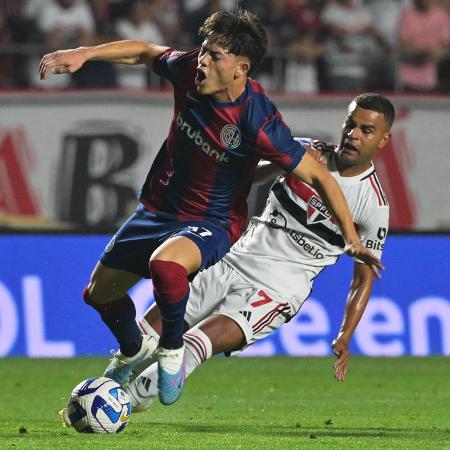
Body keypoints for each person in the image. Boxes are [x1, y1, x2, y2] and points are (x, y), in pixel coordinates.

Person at [39, 9, 381, 406]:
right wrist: (86, 53)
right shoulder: (188, 71)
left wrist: (353, 239)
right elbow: (146, 52)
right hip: (156, 208)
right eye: (203, 51)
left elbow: (320, 177)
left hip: (213, 221)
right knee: (98, 295)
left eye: (214, 55)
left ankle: (170, 352)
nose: (202, 60)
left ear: (241, 68)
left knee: (165, 266)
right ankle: (133, 349)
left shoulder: (259, 119)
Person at [122, 93, 394, 412]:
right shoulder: (307, 154)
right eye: (351, 124)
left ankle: (119, 406)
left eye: (366, 130)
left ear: (383, 140)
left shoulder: (373, 204)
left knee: (195, 344)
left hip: (276, 289)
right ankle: (104, 390)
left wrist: (345, 334)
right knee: (144, 339)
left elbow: (362, 279)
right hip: (232, 260)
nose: (353, 135)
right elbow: (251, 176)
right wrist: (273, 163)